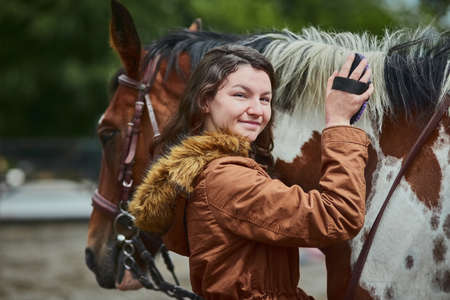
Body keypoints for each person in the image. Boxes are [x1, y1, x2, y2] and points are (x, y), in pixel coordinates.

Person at [129, 44, 374, 300]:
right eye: (240, 95)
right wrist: (338, 122)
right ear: (204, 101)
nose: (257, 110)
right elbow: (337, 216)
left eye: (265, 99)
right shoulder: (226, 178)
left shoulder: (209, 171)